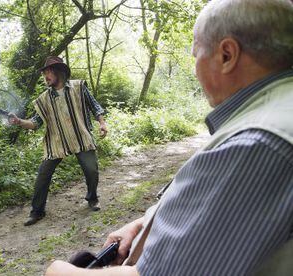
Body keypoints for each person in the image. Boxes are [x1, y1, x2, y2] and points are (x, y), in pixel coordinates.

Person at [45, 0, 293, 275]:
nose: (195, 68)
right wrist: (146, 221)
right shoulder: (276, 116)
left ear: (227, 55)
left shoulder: (255, 145)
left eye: (196, 54)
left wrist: (58, 271)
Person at [9, 56, 108, 226]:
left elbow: (95, 106)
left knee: (91, 170)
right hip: (57, 142)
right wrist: (19, 122)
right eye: (44, 73)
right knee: (43, 175)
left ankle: (92, 198)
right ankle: (37, 211)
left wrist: (102, 123)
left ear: (59, 72)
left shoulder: (79, 87)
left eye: (48, 72)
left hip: (81, 137)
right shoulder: (43, 99)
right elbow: (35, 123)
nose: (45, 76)